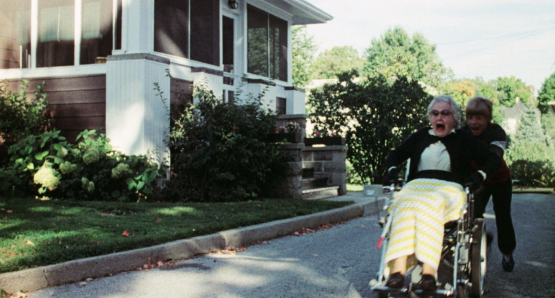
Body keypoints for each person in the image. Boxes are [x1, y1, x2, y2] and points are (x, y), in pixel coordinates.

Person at [381, 95, 501, 291]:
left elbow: (493, 160)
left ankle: (429, 272)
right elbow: (394, 155)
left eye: (445, 113)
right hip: (417, 186)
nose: (439, 118)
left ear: (455, 118)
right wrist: (392, 171)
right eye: (435, 113)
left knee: (431, 203)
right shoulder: (420, 136)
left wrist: (479, 176)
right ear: (430, 117)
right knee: (403, 202)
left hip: (449, 187)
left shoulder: (464, 139)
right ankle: (398, 271)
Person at [462, 96, 516, 272]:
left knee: (503, 216)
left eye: (479, 118)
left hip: (499, 179)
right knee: (473, 214)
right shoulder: (464, 133)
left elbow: (495, 157)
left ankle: (507, 251)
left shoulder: (496, 132)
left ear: (488, 119)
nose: (474, 123)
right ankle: (481, 239)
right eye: (471, 118)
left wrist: (480, 175)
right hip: (478, 180)